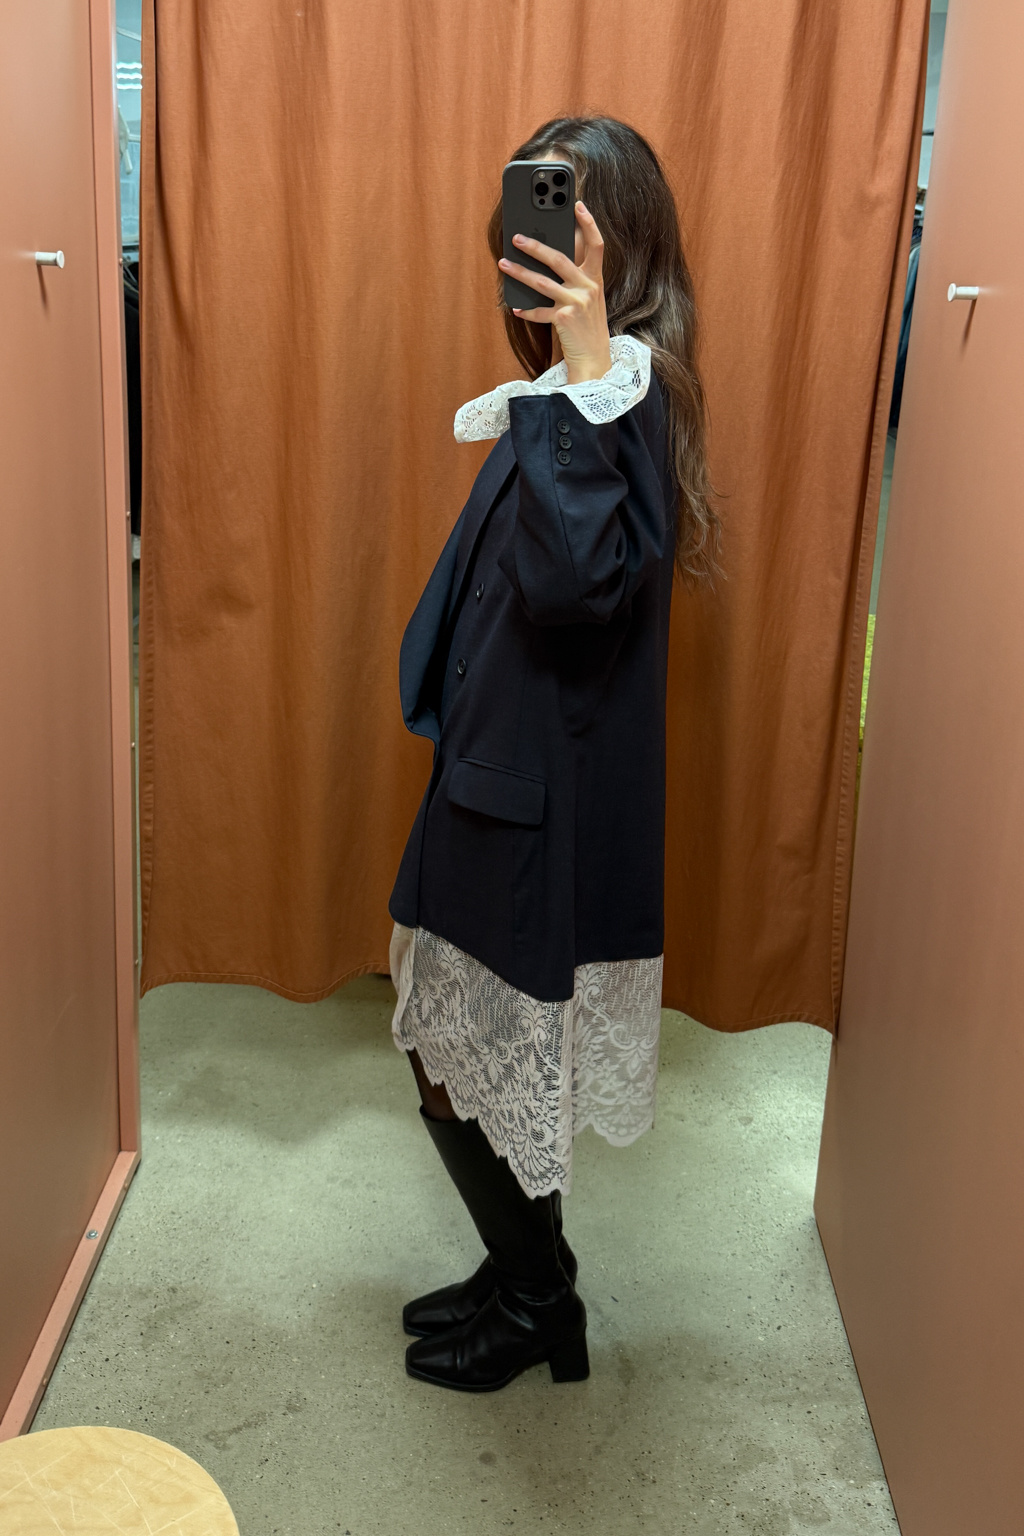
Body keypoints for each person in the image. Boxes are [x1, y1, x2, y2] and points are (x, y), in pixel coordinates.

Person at [388, 115, 717, 1393]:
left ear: (615, 251)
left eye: (558, 240)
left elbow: (576, 589)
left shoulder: (619, 394)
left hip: (526, 807)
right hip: (489, 783)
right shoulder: (582, 397)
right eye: (518, 242)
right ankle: (524, 1273)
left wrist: (581, 371)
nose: (522, 265)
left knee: (453, 1056)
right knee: (457, 1048)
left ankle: (538, 1301)